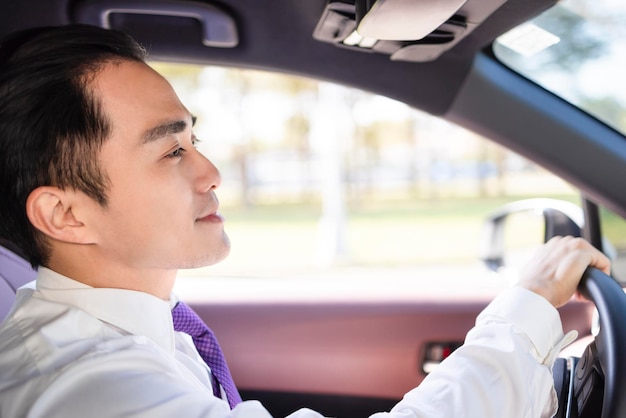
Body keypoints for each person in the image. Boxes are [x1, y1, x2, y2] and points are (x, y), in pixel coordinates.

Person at [0, 24, 611, 418]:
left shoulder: (131, 334)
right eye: (171, 151)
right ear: (66, 214)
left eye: (195, 140)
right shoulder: (94, 389)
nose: (211, 172)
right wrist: (526, 307)